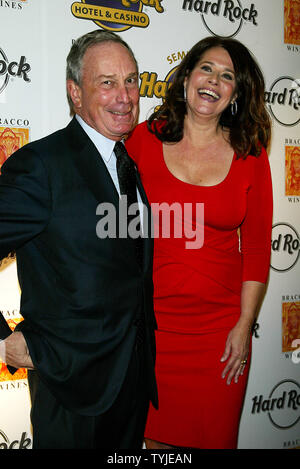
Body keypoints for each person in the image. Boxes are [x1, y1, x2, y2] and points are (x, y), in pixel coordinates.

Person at [0, 29, 157, 449]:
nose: (124, 97)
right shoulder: (40, 166)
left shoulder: (127, 163)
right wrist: (2, 338)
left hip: (131, 382)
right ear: (75, 93)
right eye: (107, 83)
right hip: (71, 389)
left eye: (131, 81)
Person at [126, 36, 273, 449]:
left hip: (219, 339)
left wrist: (244, 326)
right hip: (151, 333)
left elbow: (259, 247)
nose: (213, 81)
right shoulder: (142, 140)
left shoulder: (251, 154)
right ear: (187, 75)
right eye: (206, 68)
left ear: (236, 93)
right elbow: (115, 228)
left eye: (227, 76)